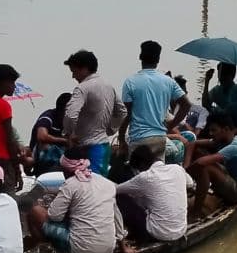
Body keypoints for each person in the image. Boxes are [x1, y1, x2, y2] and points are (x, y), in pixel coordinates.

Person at [28, 155, 126, 253]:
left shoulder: (70, 184)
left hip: (81, 251)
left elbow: (54, 216)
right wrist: (124, 247)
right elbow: (117, 216)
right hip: (107, 251)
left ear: (65, 171)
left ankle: (46, 251)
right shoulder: (106, 182)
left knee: (35, 211)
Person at [119, 41, 191, 160]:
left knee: (140, 175)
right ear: (158, 59)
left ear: (140, 57)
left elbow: (129, 114)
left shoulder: (130, 82)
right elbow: (186, 104)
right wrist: (171, 125)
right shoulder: (168, 82)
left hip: (139, 138)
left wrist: (121, 138)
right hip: (159, 138)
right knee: (158, 175)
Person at [62, 49, 127, 177]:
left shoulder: (83, 88)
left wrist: (71, 133)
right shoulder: (108, 86)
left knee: (86, 186)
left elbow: (70, 114)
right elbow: (122, 112)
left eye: (74, 71)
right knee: (98, 185)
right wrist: (109, 130)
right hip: (102, 145)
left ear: (84, 68)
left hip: (85, 147)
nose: (73, 76)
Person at [190, 111, 237, 217]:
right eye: (210, 130)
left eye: (214, 130)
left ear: (226, 129)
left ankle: (196, 213)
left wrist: (184, 172)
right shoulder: (224, 140)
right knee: (199, 152)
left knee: (206, 167)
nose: (211, 133)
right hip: (232, 178)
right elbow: (193, 143)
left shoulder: (235, 147)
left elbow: (200, 163)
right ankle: (198, 186)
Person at [116, 144, 189, 242]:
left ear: (142, 165)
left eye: (138, 169)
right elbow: (190, 183)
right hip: (181, 229)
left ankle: (128, 234)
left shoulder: (145, 177)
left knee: (120, 198)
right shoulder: (177, 168)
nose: (138, 172)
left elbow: (115, 190)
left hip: (158, 233)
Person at [30, 93, 70, 176]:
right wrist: (64, 141)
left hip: (62, 158)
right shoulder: (48, 117)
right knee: (46, 145)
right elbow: (41, 136)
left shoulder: (71, 121)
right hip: (44, 159)